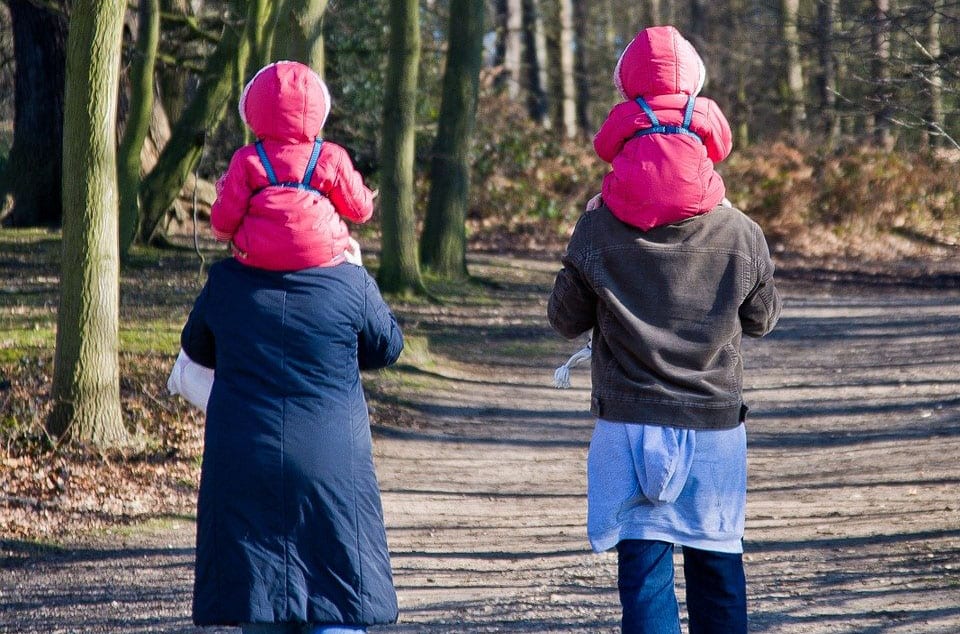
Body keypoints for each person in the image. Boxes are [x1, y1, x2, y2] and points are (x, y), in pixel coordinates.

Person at [547, 28, 782, 634]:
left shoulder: (596, 227)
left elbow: (564, 319)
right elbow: (761, 321)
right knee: (718, 574)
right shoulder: (739, 232)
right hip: (712, 426)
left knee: (645, 578)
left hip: (627, 425)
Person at [178, 244, 404, 632]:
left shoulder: (226, 281)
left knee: (260, 597)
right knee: (338, 595)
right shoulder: (349, 281)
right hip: (330, 465)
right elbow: (386, 346)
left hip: (246, 459)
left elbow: (196, 345)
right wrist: (357, 271)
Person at [210, 61, 376, 271]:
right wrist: (366, 194)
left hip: (257, 258)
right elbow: (360, 211)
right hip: (323, 257)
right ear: (320, 106)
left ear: (252, 107)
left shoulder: (246, 159)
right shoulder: (331, 156)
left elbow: (222, 225)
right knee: (367, 298)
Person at [589, 25, 732, 230]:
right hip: (695, 198)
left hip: (634, 202)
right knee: (713, 185)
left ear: (627, 73)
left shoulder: (626, 113)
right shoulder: (704, 110)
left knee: (605, 195)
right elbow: (721, 151)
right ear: (693, 71)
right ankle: (719, 206)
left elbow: (603, 150)